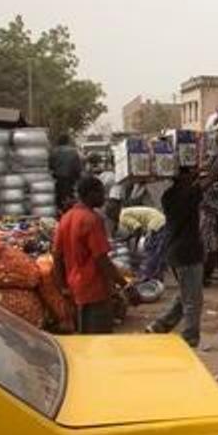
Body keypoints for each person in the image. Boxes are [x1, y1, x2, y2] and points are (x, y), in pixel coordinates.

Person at [147, 166, 215, 349]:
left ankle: (160, 325)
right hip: (187, 253)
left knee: (186, 293)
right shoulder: (189, 195)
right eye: (191, 173)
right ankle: (190, 338)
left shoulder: (169, 195)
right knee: (193, 299)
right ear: (184, 177)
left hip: (175, 251)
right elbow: (213, 177)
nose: (195, 175)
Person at [53, 176, 122, 333]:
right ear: (91, 194)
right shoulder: (92, 220)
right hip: (95, 290)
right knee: (99, 343)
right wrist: (124, 285)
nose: (104, 197)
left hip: (74, 289)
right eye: (101, 193)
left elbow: (57, 256)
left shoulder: (66, 218)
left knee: (83, 340)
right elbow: (102, 259)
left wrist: (63, 287)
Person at [116, 205, 167, 281]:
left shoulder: (122, 217)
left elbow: (138, 228)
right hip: (161, 221)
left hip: (155, 224)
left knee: (150, 250)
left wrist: (135, 247)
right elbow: (136, 230)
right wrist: (128, 238)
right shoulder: (125, 212)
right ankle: (157, 276)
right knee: (158, 253)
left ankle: (147, 277)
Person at [49, 134, 84, 209]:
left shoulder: (53, 152)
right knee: (69, 198)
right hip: (70, 179)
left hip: (58, 179)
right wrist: (78, 178)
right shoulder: (73, 151)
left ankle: (60, 211)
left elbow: (50, 165)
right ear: (67, 141)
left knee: (59, 198)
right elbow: (77, 167)